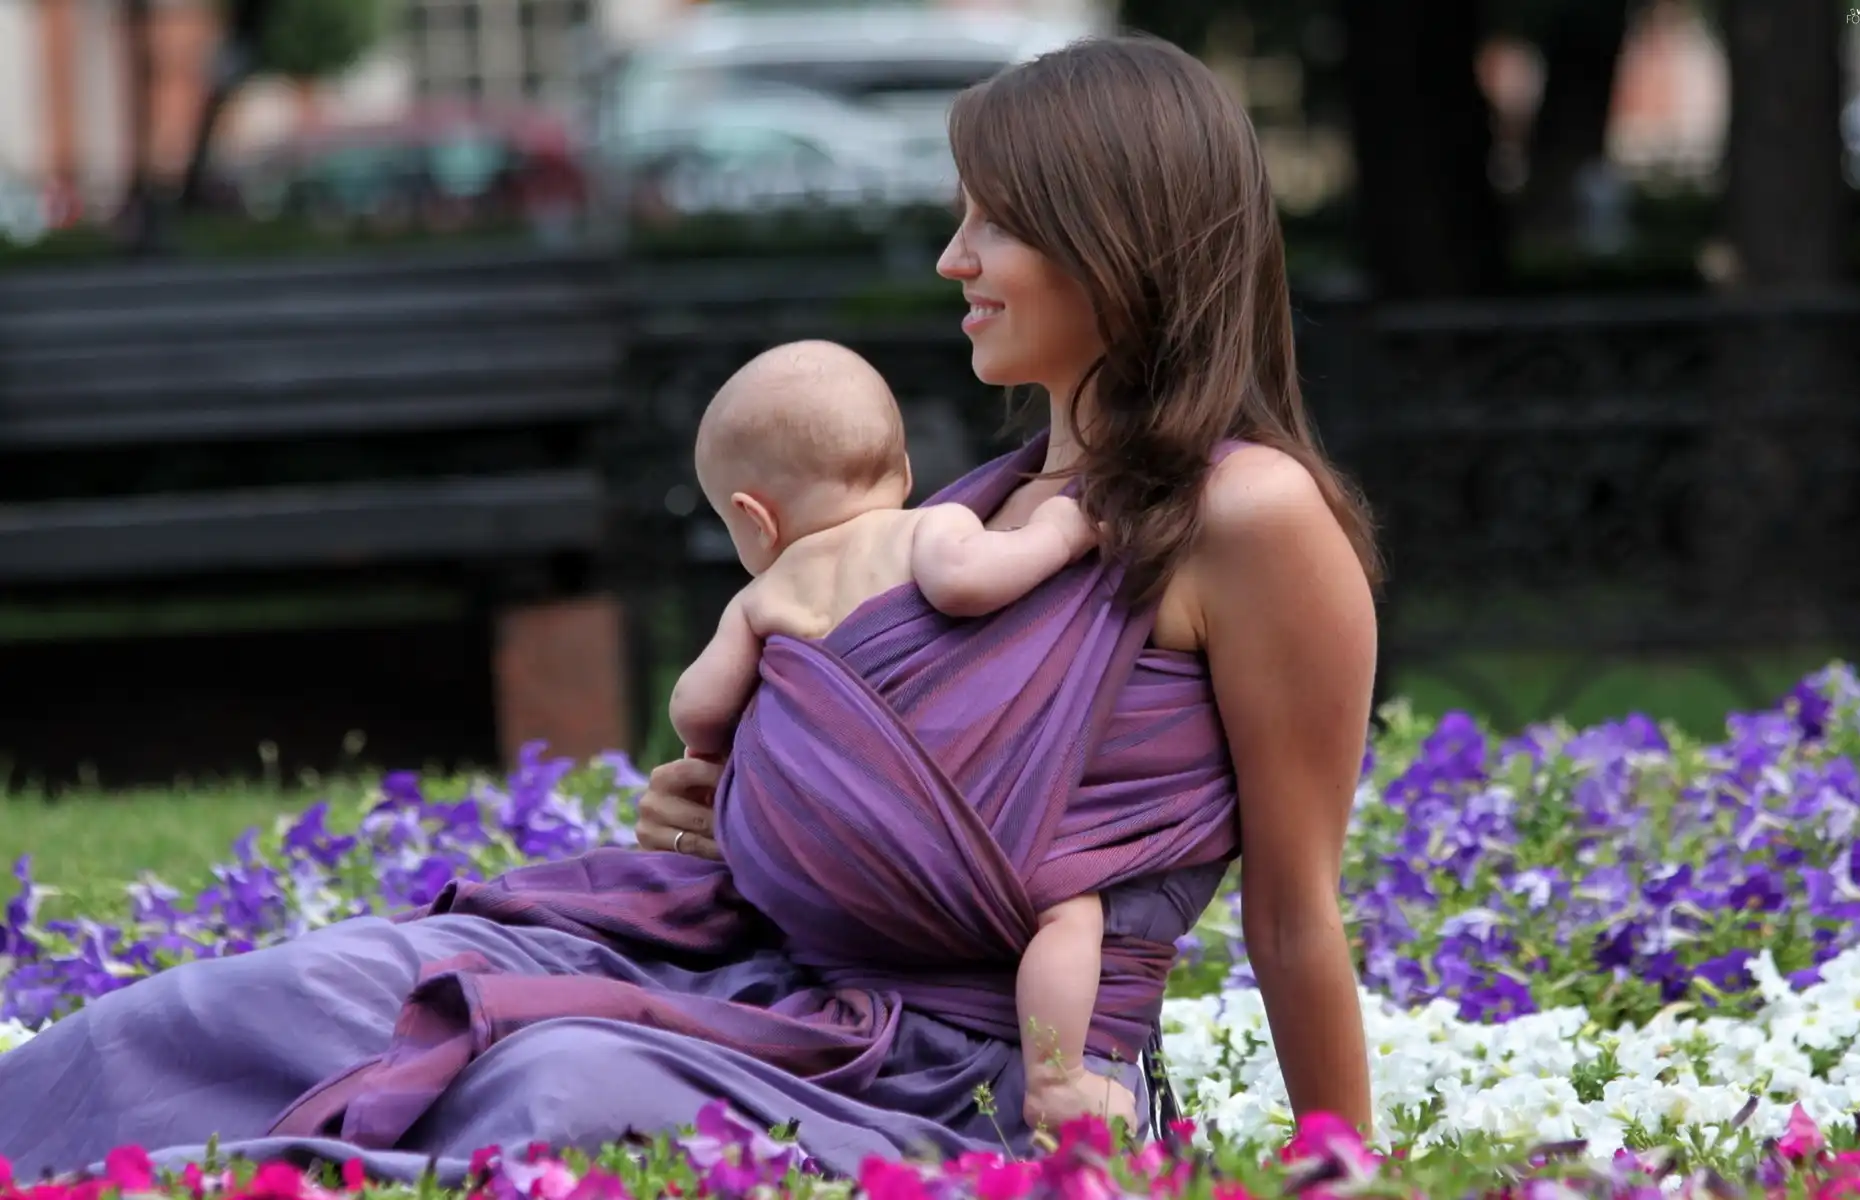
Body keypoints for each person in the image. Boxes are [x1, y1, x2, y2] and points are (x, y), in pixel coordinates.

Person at [0, 33, 1377, 1179]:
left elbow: (1293, 913)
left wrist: (1344, 1160)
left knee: (536, 1090)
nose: (955, 256)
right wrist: (756, 808)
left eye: (998, 220)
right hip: (759, 964)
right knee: (300, 990)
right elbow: (890, 769)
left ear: (1119, 239)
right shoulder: (987, 499)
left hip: (962, 1067)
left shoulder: (1249, 517)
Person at [667, 339, 1135, 1133]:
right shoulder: (932, 525)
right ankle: (1056, 1082)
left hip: (814, 873)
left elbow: (697, 708)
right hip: (936, 837)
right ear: (906, 470)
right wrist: (1061, 534)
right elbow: (967, 581)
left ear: (753, 516)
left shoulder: (766, 592)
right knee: (1068, 912)